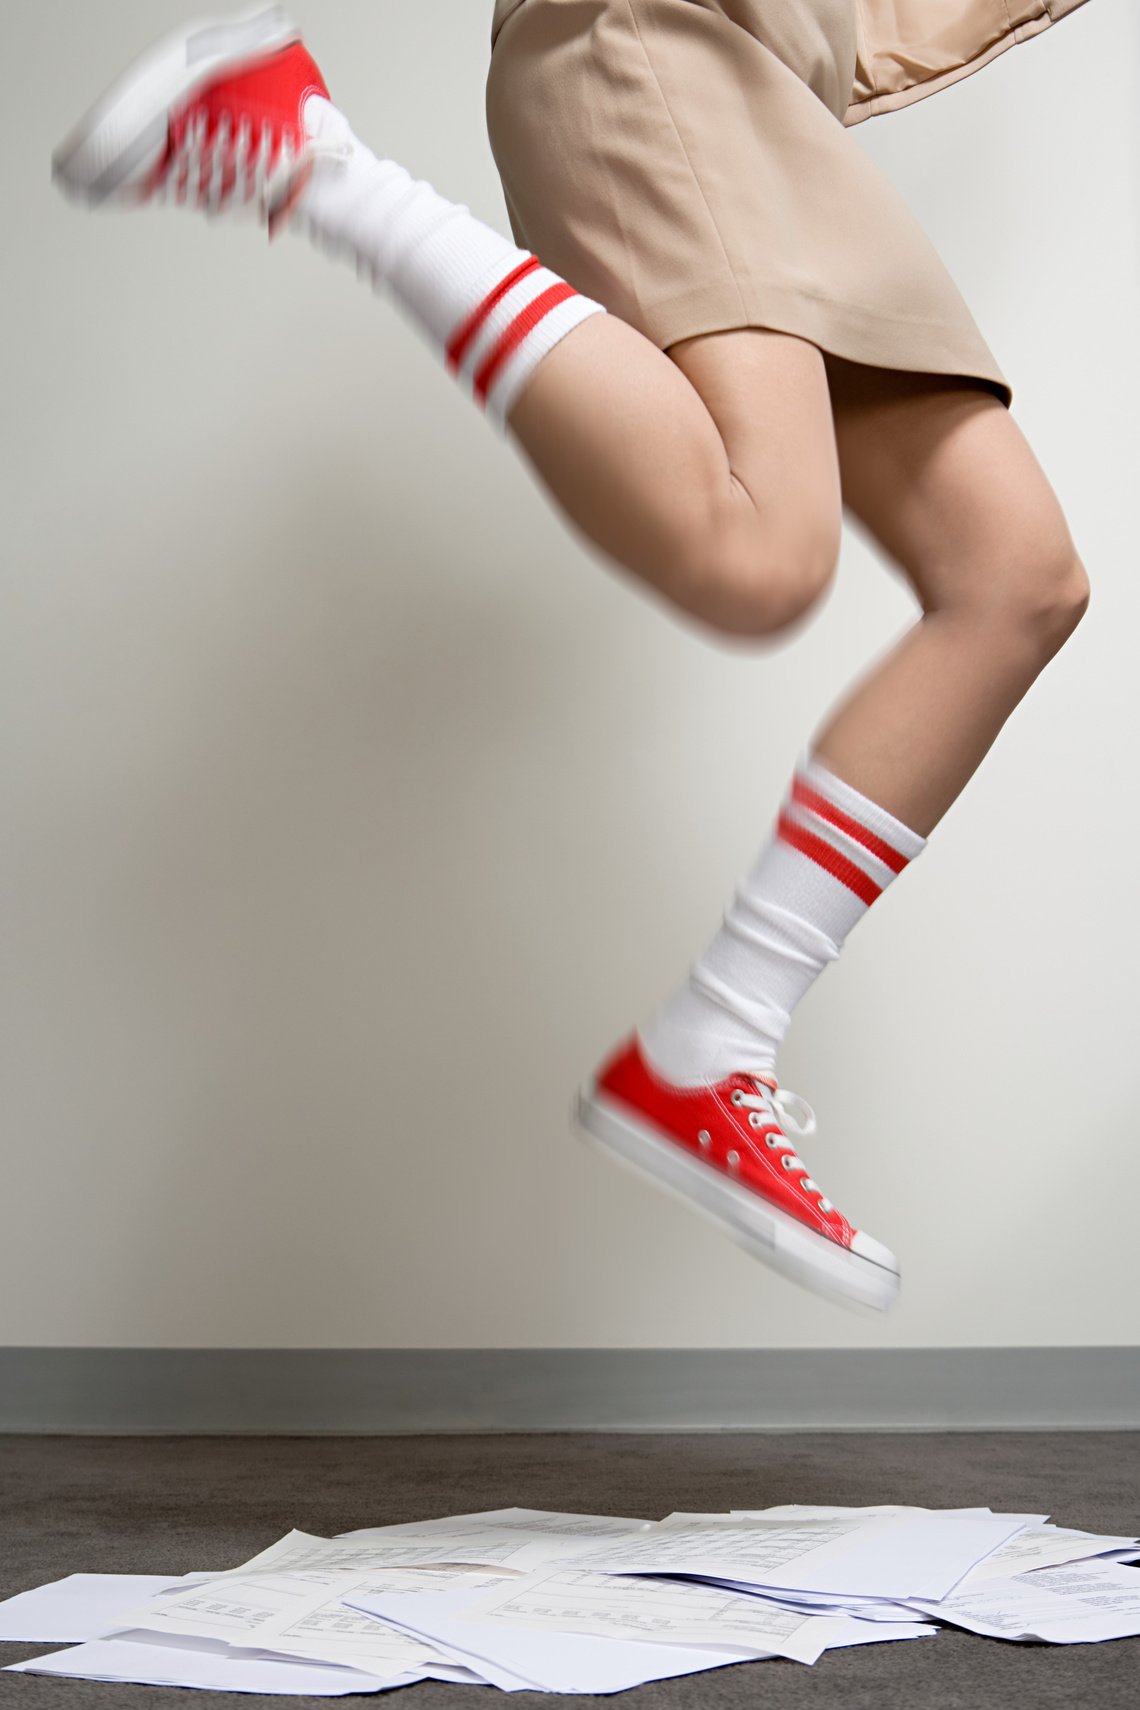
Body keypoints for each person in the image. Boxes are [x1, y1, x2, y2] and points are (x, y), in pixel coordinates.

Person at [52, 1, 1093, 1313]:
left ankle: (712, 1041)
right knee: (762, 553)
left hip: (785, 91)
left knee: (1018, 579)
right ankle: (309, 158)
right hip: (661, 34)